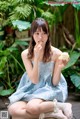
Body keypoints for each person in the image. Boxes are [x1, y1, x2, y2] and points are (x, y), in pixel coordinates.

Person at [8, 18, 72, 119]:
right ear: (32, 34)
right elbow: (34, 80)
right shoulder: (25, 54)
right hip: (30, 88)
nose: (40, 37)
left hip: (48, 88)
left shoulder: (56, 53)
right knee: (13, 110)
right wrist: (36, 57)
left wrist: (59, 68)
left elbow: (55, 82)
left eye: (44, 33)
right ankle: (51, 113)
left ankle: (62, 106)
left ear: (48, 34)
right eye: (37, 33)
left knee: (31, 108)